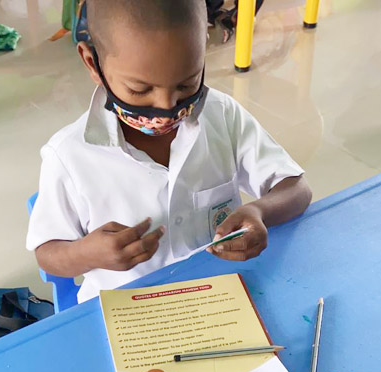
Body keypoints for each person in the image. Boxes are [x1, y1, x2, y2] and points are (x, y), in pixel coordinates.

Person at [26, 0, 312, 303]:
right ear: (92, 62)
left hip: (221, 300)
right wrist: (86, 254)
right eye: (140, 90)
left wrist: (259, 212)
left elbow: (296, 188)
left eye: (186, 85)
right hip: (128, 310)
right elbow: (48, 253)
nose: (166, 108)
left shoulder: (223, 116)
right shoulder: (68, 156)